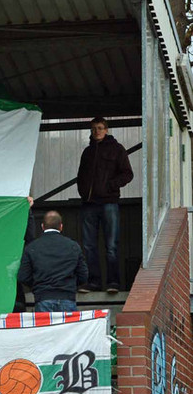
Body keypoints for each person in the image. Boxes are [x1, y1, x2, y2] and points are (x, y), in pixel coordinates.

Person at [77, 117, 133, 293]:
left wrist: (110, 186)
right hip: (89, 204)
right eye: (94, 128)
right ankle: (93, 282)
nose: (97, 131)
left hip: (109, 202)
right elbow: (81, 175)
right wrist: (83, 192)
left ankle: (113, 283)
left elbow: (128, 174)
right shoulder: (87, 152)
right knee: (89, 246)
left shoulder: (117, 149)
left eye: (100, 128)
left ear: (106, 130)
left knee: (111, 246)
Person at [18, 211, 88, 313]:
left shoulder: (32, 247)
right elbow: (83, 276)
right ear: (61, 226)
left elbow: (23, 276)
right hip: (67, 297)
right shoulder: (73, 246)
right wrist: (70, 284)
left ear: (42, 226)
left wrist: (37, 285)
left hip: (43, 297)